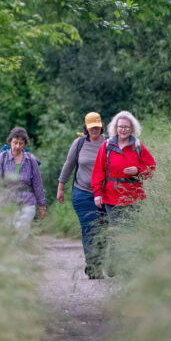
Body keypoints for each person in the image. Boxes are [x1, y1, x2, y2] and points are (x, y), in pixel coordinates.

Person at [91, 111, 156, 273]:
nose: (123, 130)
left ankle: (128, 264)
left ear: (132, 128)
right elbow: (98, 171)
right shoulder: (107, 146)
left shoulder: (138, 146)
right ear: (115, 128)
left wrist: (137, 170)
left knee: (130, 230)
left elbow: (151, 168)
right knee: (115, 228)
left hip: (133, 194)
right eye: (120, 127)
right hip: (111, 195)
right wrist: (97, 193)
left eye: (126, 127)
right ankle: (114, 262)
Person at [56, 112, 107, 279]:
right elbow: (68, 165)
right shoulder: (79, 144)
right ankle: (93, 265)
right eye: (91, 127)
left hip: (105, 194)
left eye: (96, 126)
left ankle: (99, 261)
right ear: (86, 128)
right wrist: (60, 187)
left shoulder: (108, 143)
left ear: (101, 126)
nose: (94, 130)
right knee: (90, 228)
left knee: (105, 229)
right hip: (82, 193)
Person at [0, 126, 47, 235]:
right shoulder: (1, 159)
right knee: (7, 233)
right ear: (10, 141)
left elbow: (37, 184)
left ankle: (21, 248)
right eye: (15, 142)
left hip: (27, 202)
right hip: (6, 203)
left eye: (21, 143)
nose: (17, 146)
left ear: (25, 144)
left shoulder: (31, 160)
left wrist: (42, 206)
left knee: (21, 230)